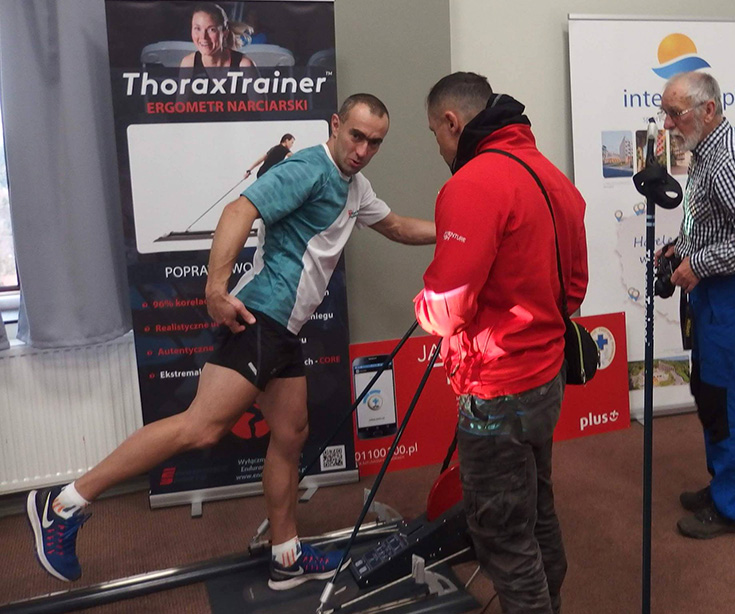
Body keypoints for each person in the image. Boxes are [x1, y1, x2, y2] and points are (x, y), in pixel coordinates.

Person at [27, 93, 435, 588]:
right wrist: (215, 290)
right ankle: (63, 504)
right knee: (201, 428)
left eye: (374, 142)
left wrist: (456, 231)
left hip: (286, 331)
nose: (363, 150)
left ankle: (286, 556)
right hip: (260, 316)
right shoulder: (309, 169)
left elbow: (396, 227)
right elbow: (238, 211)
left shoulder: (355, 186)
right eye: (356, 136)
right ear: (335, 125)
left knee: (291, 434)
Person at [414, 72, 588, 614]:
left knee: (502, 535)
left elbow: (446, 310)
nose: (439, 148)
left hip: (497, 389)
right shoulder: (551, 174)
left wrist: (422, 307)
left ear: (452, 122)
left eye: (435, 134)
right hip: (546, 375)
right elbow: (574, 287)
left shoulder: (471, 184)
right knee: (535, 507)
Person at [656, 71, 735, 539]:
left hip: (732, 297)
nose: (668, 124)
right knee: (708, 393)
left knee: (722, 400)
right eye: (665, 113)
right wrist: (681, 249)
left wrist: (700, 263)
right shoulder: (706, 150)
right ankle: (723, 485)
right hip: (713, 293)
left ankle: (732, 507)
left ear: (708, 110)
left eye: (675, 113)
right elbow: (710, 221)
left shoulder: (727, 159)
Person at [179, 3, 256, 69]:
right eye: (197, 28)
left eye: (212, 29)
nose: (203, 36)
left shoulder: (244, 65)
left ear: (225, 33)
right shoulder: (188, 64)